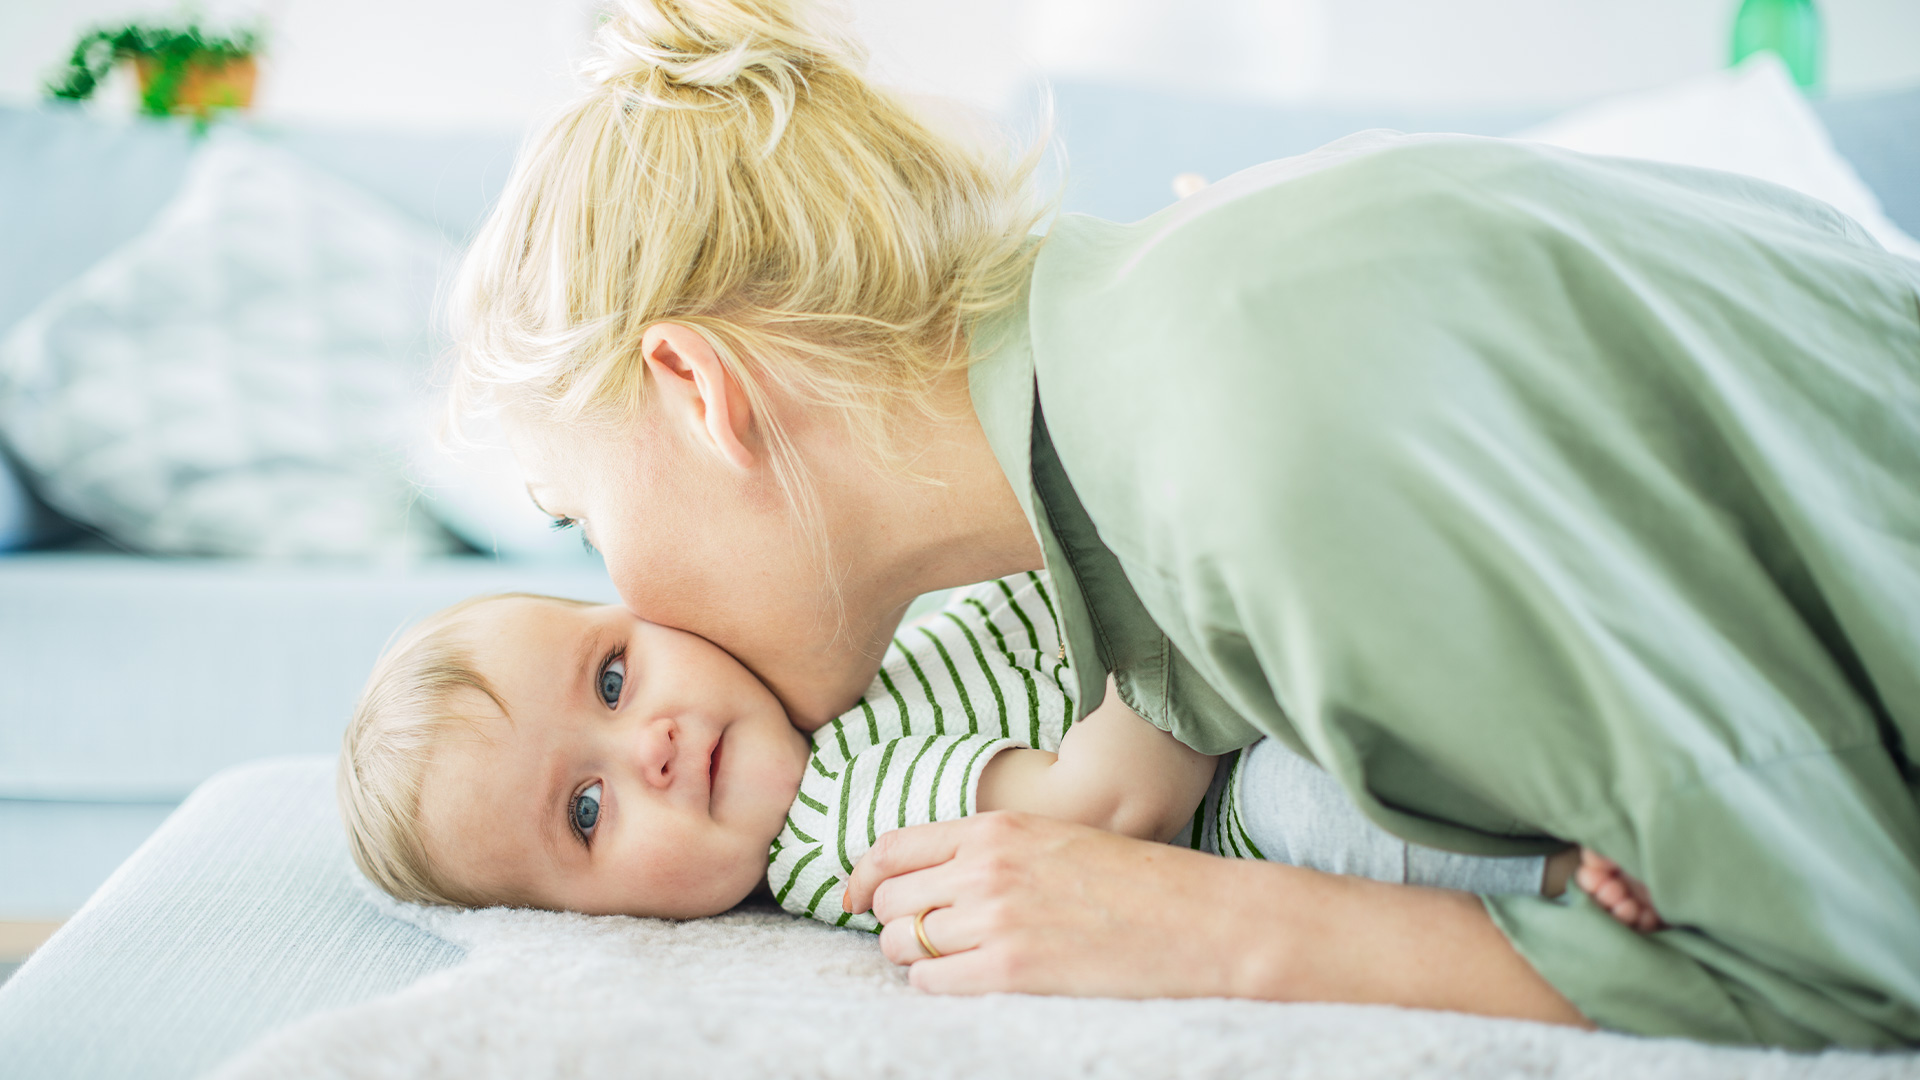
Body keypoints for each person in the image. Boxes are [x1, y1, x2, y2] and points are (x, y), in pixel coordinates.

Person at [447, 0, 1920, 1050]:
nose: (624, 599)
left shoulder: (1246, 463)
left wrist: (1220, 930)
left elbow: (1853, 941)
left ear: (700, 394)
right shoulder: (1169, 362)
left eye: (584, 521)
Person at [336, 573, 1579, 923]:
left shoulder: (813, 664)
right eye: (587, 811)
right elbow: (1108, 803)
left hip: (1244, 673)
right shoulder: (833, 821)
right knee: (1318, 804)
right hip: (1233, 791)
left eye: (612, 676)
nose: (647, 747)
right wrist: (1182, 573)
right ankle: (1572, 858)